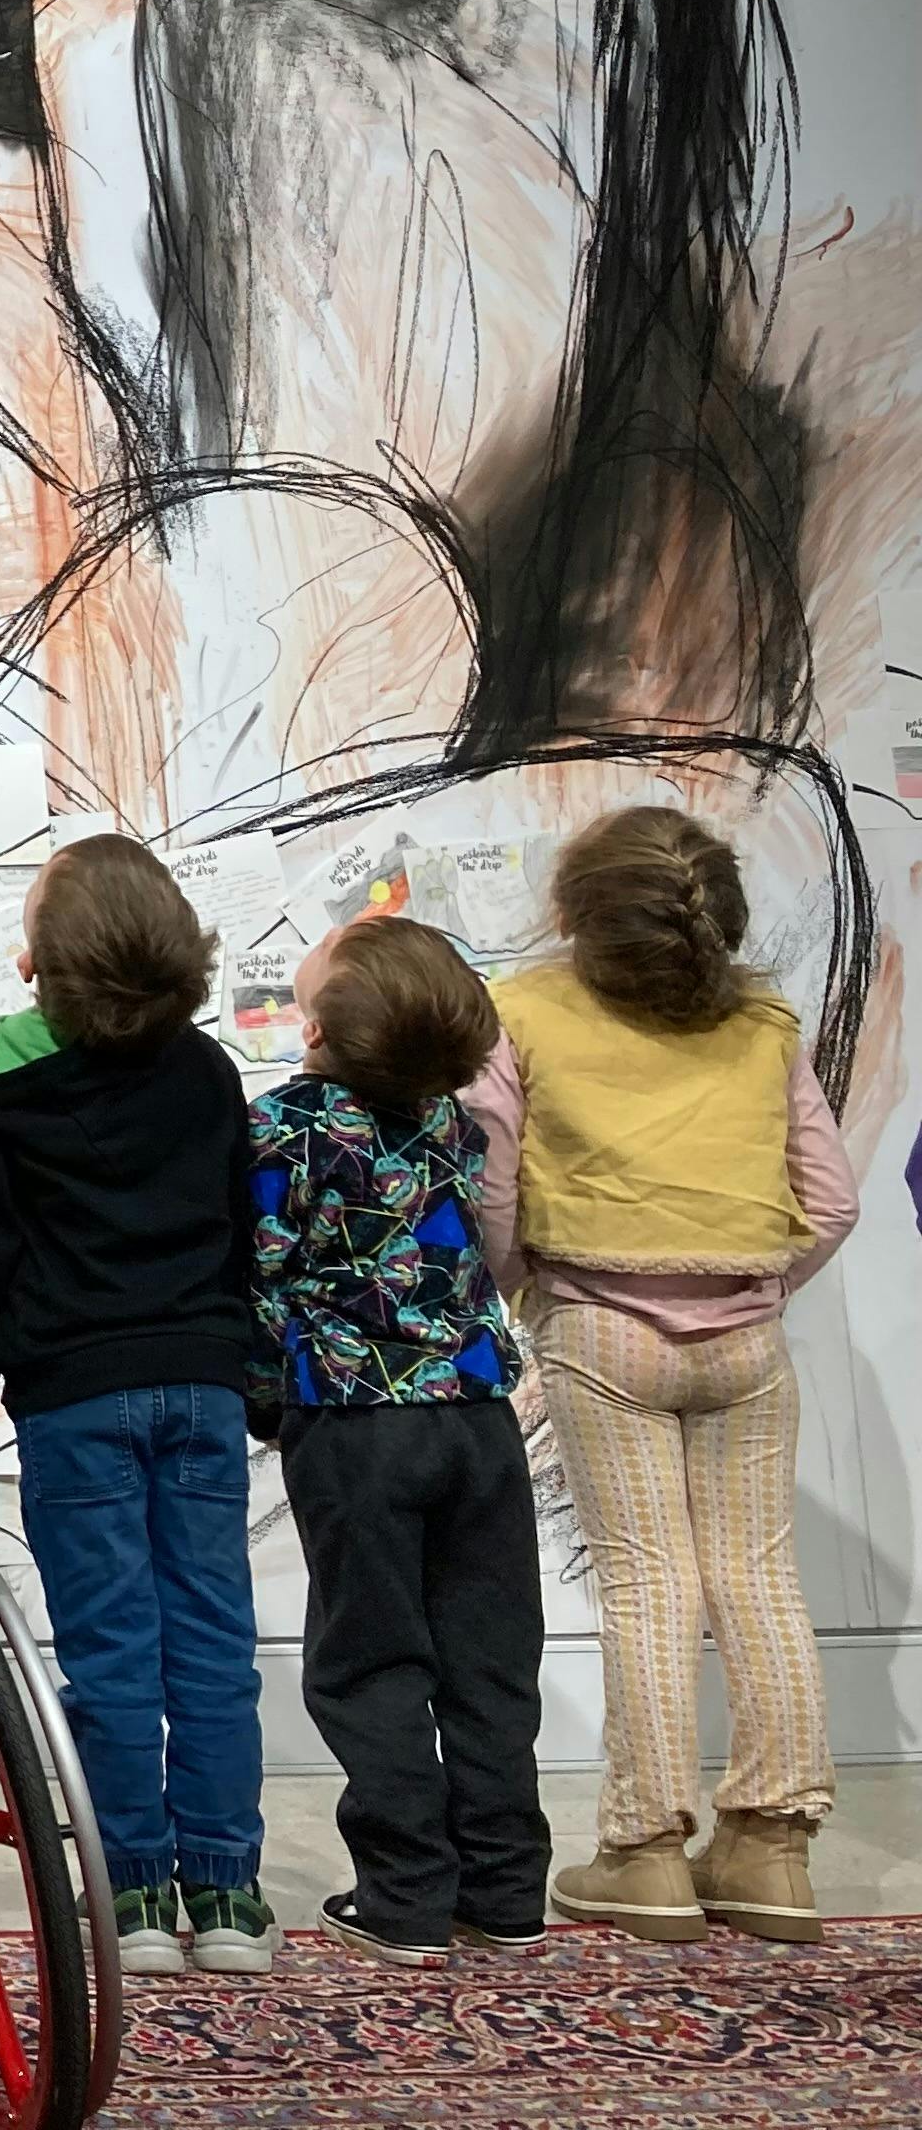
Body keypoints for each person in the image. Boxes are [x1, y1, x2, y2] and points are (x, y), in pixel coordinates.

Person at [471, 807, 857, 1944]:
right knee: (759, 1576)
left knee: (649, 1584)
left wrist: (517, 1286)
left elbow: (493, 1186)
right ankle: (773, 1848)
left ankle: (644, 1853)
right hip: (748, 1333)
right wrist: (758, 1287)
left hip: (599, 1325)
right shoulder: (768, 1020)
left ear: (579, 917)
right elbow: (831, 1200)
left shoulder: (523, 1011)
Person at [0, 837, 273, 1976]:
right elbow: (241, 1231)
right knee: (212, 1640)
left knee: (107, 1646)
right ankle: (229, 1896)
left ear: (46, 959)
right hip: (200, 1382)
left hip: (72, 1396)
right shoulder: (207, 1072)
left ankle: (134, 1890)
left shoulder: (2, 1081)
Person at [251, 916, 550, 1969]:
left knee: (372, 1660)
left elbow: (259, 1275)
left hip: (354, 1424)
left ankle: (407, 1896)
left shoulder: (284, 1128)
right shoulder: (457, 1129)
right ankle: (509, 1890)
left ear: (324, 1028)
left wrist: (264, 1384)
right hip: (476, 1420)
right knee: (490, 1658)